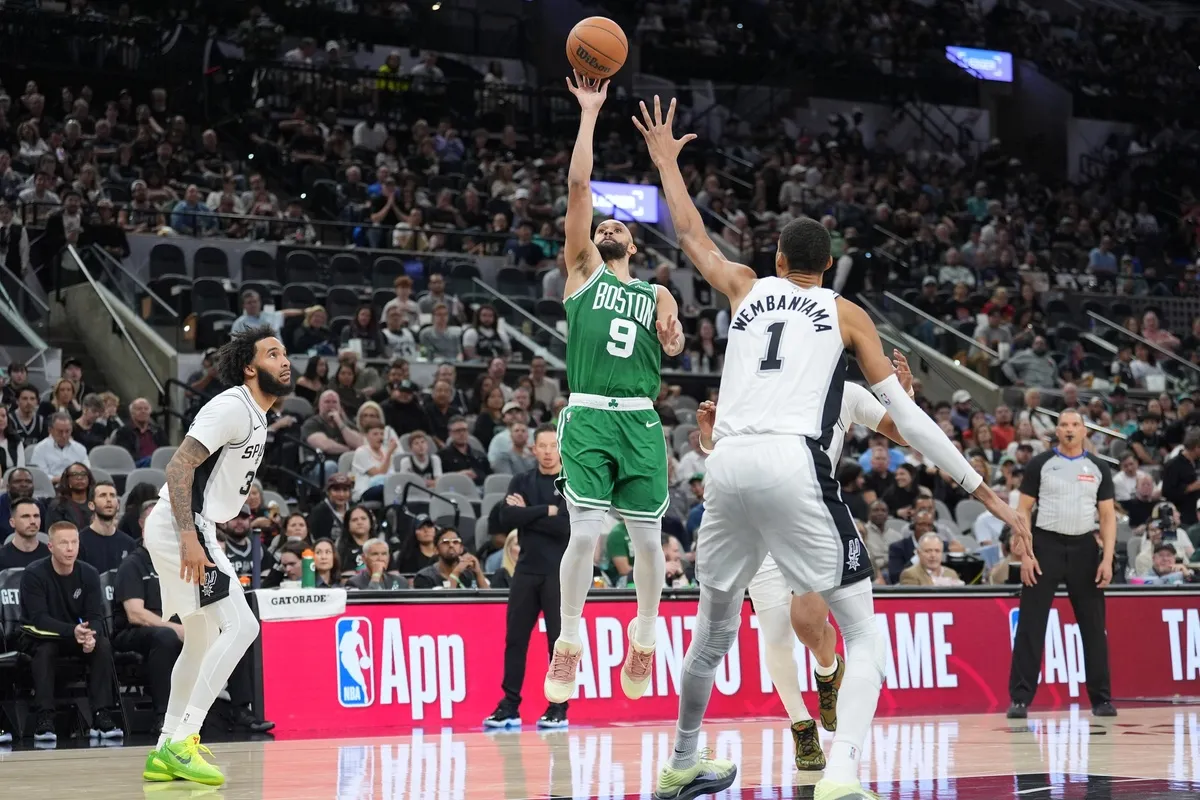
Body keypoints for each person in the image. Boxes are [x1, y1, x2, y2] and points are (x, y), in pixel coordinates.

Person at [634, 94, 1030, 800]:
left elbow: (692, 235)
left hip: (721, 465)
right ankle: (840, 774)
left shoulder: (747, 287)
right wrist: (984, 491)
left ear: (779, 257)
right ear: (829, 264)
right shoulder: (846, 313)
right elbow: (906, 419)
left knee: (714, 632)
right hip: (791, 463)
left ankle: (683, 758)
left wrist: (665, 160)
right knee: (862, 630)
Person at [692, 358, 914, 771]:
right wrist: (710, 439)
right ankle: (802, 727)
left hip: (811, 519)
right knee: (775, 632)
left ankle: (827, 670)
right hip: (759, 518)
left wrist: (901, 397)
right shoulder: (762, 382)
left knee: (810, 626)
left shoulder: (847, 393)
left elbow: (902, 433)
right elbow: (727, 448)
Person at [543, 74, 686, 710]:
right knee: (585, 534)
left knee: (650, 541)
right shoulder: (580, 274)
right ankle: (569, 640)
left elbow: (676, 346)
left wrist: (673, 326)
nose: (604, 224)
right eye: (599, 222)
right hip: (591, 416)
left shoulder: (656, 292)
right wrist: (590, 114)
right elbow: (579, 187)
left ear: (632, 242)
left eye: (615, 224)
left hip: (642, 421)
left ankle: (645, 633)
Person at [139, 325, 291, 786]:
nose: (284, 361)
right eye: (272, 354)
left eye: (285, 353)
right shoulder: (231, 405)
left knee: (202, 638)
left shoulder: (260, 414)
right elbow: (178, 464)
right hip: (180, 524)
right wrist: (189, 535)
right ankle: (185, 740)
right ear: (250, 367)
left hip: (195, 525)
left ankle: (166, 747)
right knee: (243, 625)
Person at [1008, 409, 1117, 720]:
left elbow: (1107, 517)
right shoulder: (1040, 464)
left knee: (1094, 627)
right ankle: (1020, 699)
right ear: (1057, 431)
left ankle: (1102, 699)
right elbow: (1023, 510)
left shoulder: (1098, 468)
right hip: (1045, 545)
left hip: (1085, 547)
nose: (1069, 429)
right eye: (1064, 425)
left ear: (1084, 431)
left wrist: (1107, 558)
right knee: (1031, 623)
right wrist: (1026, 553)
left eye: (1075, 425)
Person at [484, 425, 571, 730]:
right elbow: (505, 519)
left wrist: (531, 514)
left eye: (553, 446)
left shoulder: (570, 482)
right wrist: (546, 510)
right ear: (533, 449)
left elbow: (565, 526)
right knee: (515, 639)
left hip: (559, 574)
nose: (548, 452)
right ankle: (509, 705)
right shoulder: (521, 480)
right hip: (525, 570)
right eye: (542, 446)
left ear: (561, 448)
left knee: (558, 643)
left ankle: (559, 706)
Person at [19, 522, 122, 743]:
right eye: (63, 543)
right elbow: (39, 619)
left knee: (102, 645)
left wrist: (90, 635)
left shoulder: (89, 573)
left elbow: (95, 615)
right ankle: (44, 718)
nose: (70, 548)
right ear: (50, 546)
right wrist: (72, 631)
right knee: (45, 650)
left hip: (76, 635)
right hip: (41, 636)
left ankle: (101, 714)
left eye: (74, 542)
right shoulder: (34, 574)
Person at [77, 481, 136, 573]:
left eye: (112, 495)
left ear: (118, 505)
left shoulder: (129, 543)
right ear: (91, 505)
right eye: (103, 495)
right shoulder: (79, 541)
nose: (109, 500)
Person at [412, 526, 489, 589]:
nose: (451, 545)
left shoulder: (469, 574)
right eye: (445, 542)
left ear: (461, 549)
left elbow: (489, 601)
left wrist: (478, 572)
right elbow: (447, 603)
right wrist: (456, 572)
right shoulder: (424, 577)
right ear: (436, 550)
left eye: (455, 542)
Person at [0, 497, 46, 570]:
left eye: (36, 516)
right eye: (25, 516)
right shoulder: (1, 557)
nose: (33, 521)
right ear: (12, 522)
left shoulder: (51, 556)